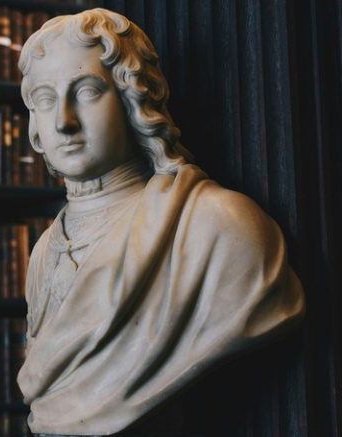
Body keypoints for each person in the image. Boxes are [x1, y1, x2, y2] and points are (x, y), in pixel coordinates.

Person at [16, 8, 305, 435]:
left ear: (134, 99)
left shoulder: (219, 227)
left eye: (88, 91)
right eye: (45, 99)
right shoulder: (45, 251)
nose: (63, 121)